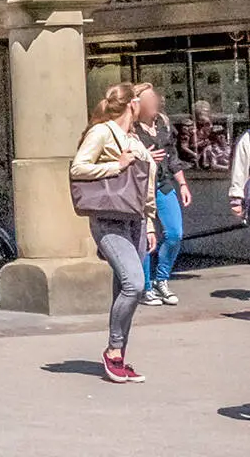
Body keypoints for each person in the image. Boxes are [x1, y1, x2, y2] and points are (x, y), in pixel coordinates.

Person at [70, 82, 157, 384]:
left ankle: (119, 356)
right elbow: (78, 168)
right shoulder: (102, 132)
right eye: (141, 100)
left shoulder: (134, 137)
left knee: (125, 289)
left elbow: (145, 186)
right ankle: (113, 351)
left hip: (135, 221)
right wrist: (115, 166)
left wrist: (149, 222)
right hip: (109, 220)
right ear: (132, 104)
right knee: (135, 284)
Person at [132, 82, 189, 306]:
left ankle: (161, 279)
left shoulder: (163, 124)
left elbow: (172, 156)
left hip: (163, 184)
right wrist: (144, 156)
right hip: (140, 186)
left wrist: (182, 184)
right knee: (145, 238)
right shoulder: (131, 129)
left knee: (174, 233)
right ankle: (146, 287)